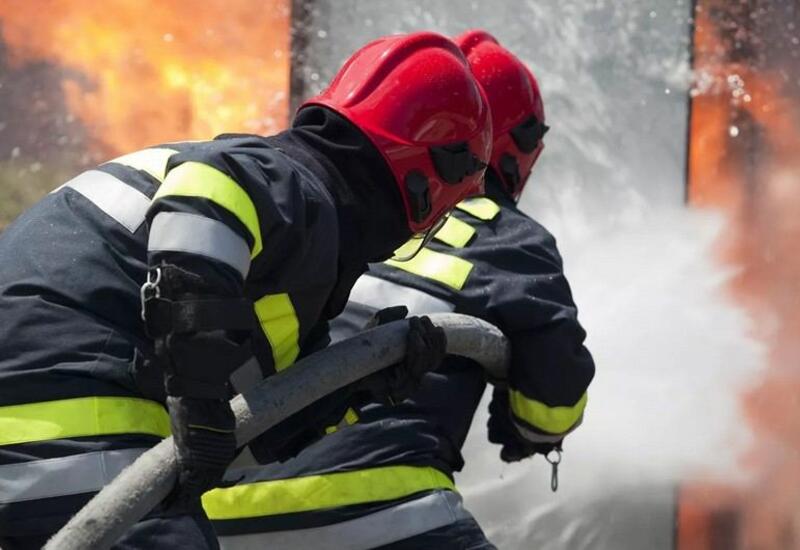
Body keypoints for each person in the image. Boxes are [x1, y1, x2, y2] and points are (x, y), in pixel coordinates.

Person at [0, 31, 492, 549]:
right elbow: (207, 194)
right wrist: (197, 394)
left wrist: (358, 388)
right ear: (429, 179)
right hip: (67, 421)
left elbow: (238, 441)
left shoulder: (273, 255)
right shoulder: (290, 183)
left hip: (37, 438)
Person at [208, 30, 595, 550]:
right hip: (375, 507)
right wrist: (523, 423)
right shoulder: (508, 238)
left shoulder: (324, 210)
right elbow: (552, 407)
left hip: (215, 512)